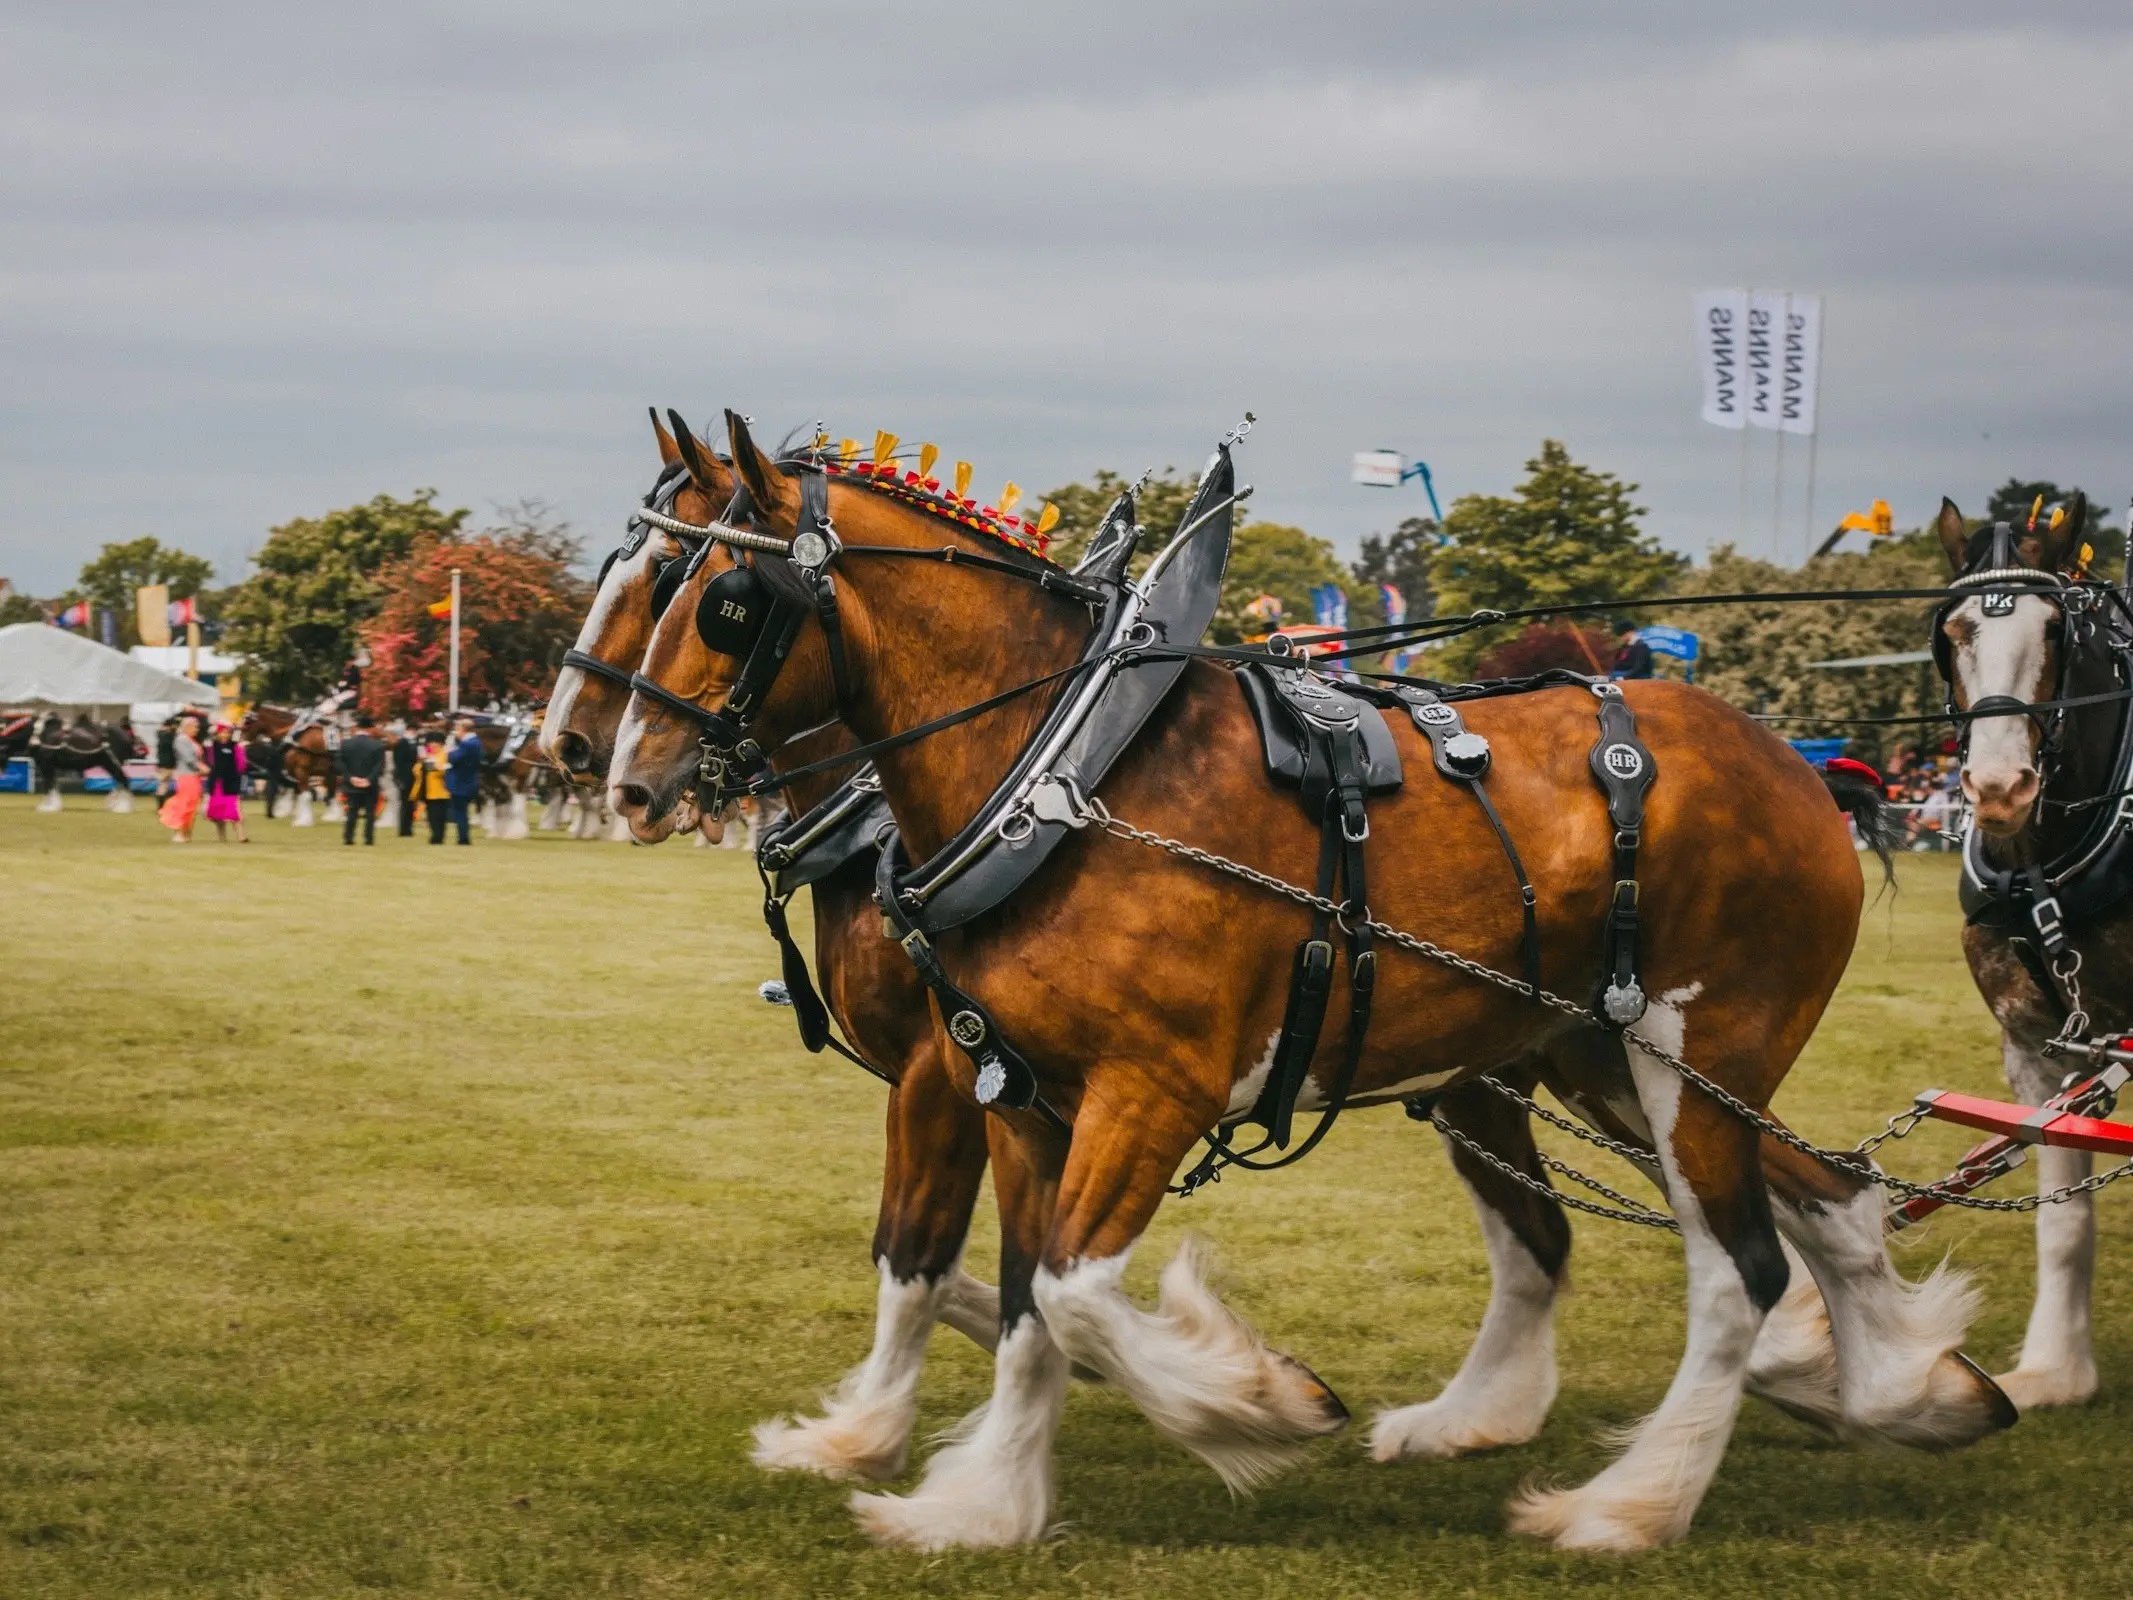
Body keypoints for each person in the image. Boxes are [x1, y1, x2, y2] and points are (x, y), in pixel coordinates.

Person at [335, 714, 386, 845]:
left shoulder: (346, 744)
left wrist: (350, 777)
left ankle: (349, 837)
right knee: (370, 813)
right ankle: (368, 838)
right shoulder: (377, 745)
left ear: (357, 727)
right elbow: (379, 766)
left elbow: (339, 763)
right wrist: (368, 779)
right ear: (370, 729)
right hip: (370, 785)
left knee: (352, 812)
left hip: (352, 785)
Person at [158, 714, 205, 843]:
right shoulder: (181, 740)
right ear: (187, 727)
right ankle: (179, 832)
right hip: (186, 776)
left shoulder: (191, 741)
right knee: (183, 804)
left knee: (192, 805)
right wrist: (201, 767)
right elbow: (189, 758)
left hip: (195, 776)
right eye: (195, 727)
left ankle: (186, 833)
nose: (197, 730)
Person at [203, 722, 249, 843]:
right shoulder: (211, 747)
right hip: (217, 783)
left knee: (235, 811)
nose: (225, 735)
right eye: (222, 732)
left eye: (227, 732)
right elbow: (210, 762)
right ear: (217, 733)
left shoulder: (235, 747)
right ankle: (222, 837)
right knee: (217, 813)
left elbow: (241, 765)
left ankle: (241, 836)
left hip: (231, 782)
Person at [444, 717, 484, 846]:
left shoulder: (468, 744)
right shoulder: (476, 742)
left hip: (461, 782)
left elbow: (453, 758)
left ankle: (463, 838)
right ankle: (463, 837)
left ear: (463, 729)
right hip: (468, 781)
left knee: (460, 812)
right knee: (462, 811)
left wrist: (450, 751)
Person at [417, 733, 453, 844]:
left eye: (435, 743)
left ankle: (438, 837)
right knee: (432, 816)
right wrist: (421, 763)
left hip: (442, 790)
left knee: (440, 816)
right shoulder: (428, 755)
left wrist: (435, 767)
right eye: (430, 743)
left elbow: (445, 770)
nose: (432, 745)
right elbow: (416, 771)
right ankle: (435, 835)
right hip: (429, 790)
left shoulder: (445, 754)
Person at [389, 726, 419, 838]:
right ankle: (404, 829)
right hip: (405, 778)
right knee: (405, 804)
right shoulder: (402, 743)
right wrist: (400, 779)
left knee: (409, 804)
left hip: (410, 778)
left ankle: (408, 828)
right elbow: (400, 762)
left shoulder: (407, 743)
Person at [154, 715, 178, 799]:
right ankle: (161, 805)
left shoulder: (161, 734)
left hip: (162, 763)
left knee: (163, 784)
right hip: (168, 763)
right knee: (163, 784)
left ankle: (161, 804)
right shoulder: (169, 736)